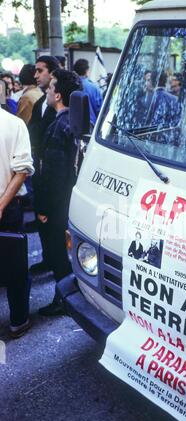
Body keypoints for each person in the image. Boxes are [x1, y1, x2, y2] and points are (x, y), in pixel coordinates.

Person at [35, 69, 82, 316]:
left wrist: (43, 209)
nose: (47, 91)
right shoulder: (75, 122)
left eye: (51, 87)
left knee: (58, 257)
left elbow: (52, 175)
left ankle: (64, 300)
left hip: (56, 205)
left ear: (59, 95)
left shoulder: (58, 127)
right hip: (68, 201)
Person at [0, 106, 34, 338]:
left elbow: (22, 170)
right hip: (9, 207)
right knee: (15, 267)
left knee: (15, 265)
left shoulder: (13, 123)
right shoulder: (14, 124)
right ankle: (18, 320)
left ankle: (18, 320)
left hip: (7, 206)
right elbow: (21, 171)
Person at [27, 55, 59, 273]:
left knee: (54, 224)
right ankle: (49, 259)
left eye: (40, 70)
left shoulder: (64, 103)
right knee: (42, 220)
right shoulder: (40, 102)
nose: (36, 75)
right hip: (39, 170)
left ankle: (59, 269)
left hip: (54, 174)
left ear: (52, 72)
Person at [73, 58, 103, 127]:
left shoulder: (71, 85)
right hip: (91, 126)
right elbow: (100, 110)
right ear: (86, 70)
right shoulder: (94, 87)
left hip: (73, 126)